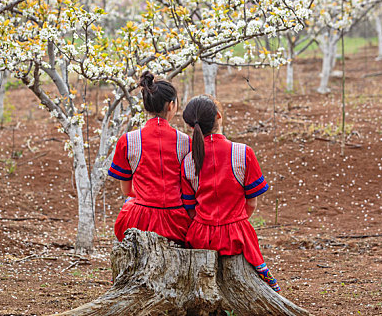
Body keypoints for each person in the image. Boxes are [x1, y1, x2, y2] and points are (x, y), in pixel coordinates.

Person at [180, 95, 281, 292]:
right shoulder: (243, 153)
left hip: (200, 236)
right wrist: (236, 221)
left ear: (191, 126)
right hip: (237, 235)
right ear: (219, 116)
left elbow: (190, 209)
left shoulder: (187, 161)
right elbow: (252, 203)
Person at [108, 71, 192, 244]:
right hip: (177, 223)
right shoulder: (185, 142)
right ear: (171, 106)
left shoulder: (128, 140)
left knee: (129, 201)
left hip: (138, 222)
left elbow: (126, 190)